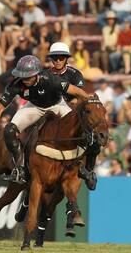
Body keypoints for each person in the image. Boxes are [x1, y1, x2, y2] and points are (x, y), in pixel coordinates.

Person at [0, 55, 91, 184]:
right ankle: (20, 169)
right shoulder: (15, 84)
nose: (25, 80)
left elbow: (78, 92)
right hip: (34, 107)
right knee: (9, 130)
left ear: (37, 74)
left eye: (29, 76)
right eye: (23, 76)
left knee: (76, 127)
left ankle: (83, 166)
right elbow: (0, 107)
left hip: (57, 105)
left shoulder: (52, 80)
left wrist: (91, 103)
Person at [47, 42, 99, 190]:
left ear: (66, 59)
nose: (58, 60)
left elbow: (80, 97)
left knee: (93, 136)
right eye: (55, 58)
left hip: (70, 109)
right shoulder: (46, 74)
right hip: (48, 109)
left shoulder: (75, 74)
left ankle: (88, 171)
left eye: (61, 57)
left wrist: (70, 106)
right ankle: (20, 167)